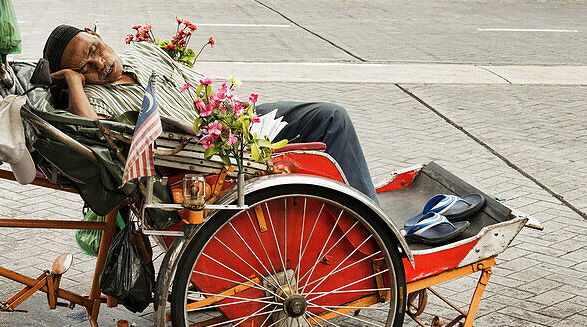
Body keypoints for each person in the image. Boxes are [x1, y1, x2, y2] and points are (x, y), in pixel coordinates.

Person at [43, 24, 378, 201]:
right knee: (335, 123)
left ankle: (363, 214)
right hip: (211, 153)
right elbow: (89, 127)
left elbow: (198, 87)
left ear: (96, 33)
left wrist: (234, 115)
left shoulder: (142, 53)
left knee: (331, 117)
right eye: (85, 68)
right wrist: (73, 82)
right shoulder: (97, 98)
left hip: (234, 121)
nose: (99, 64)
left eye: (93, 50)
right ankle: (375, 232)